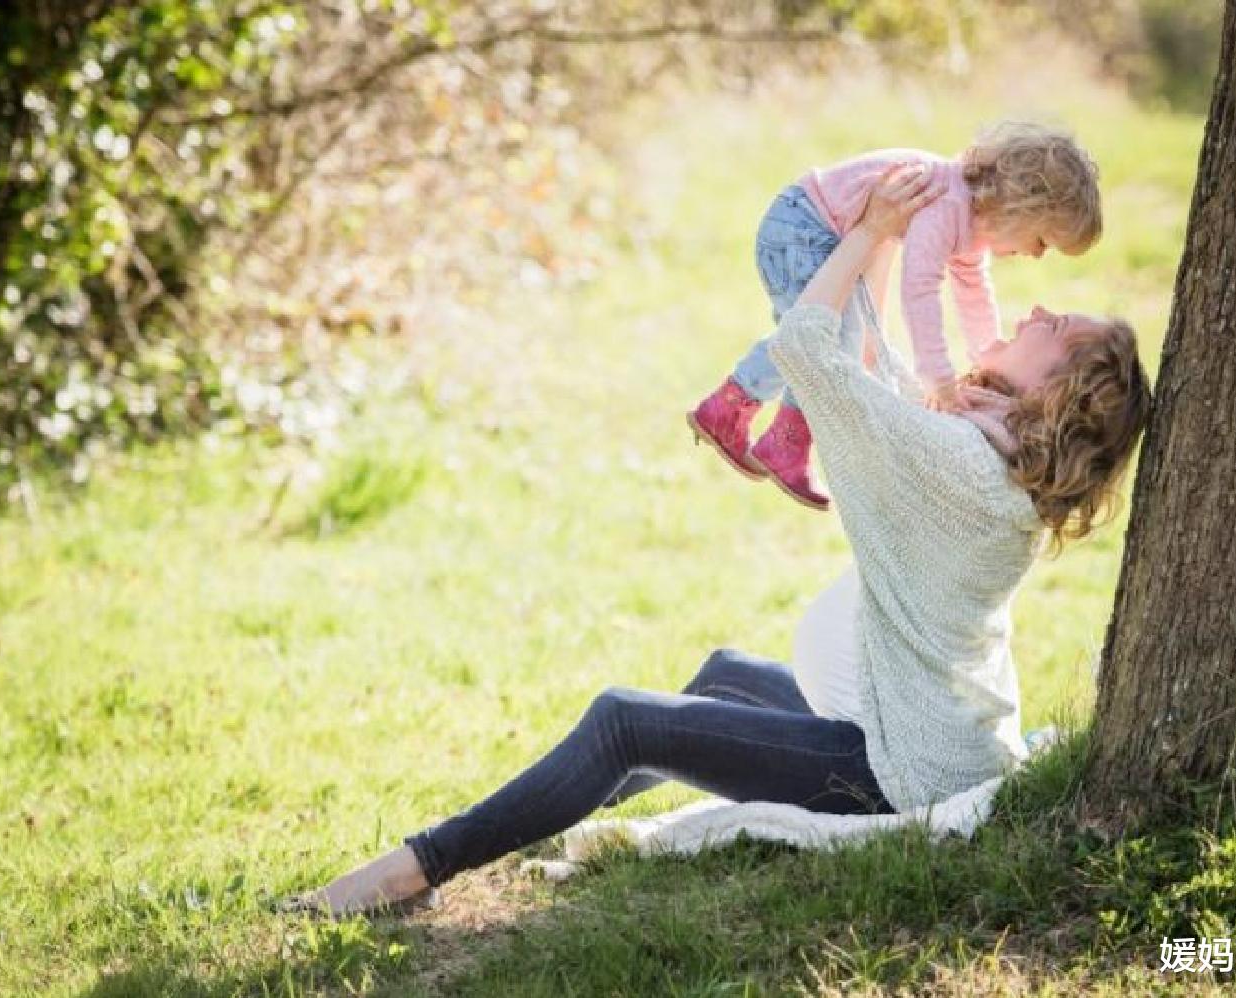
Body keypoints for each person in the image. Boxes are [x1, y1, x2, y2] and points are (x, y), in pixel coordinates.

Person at [281, 165, 1150, 920]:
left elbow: (809, 348)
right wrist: (883, 243)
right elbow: (881, 376)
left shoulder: (959, 464)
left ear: (1060, 391)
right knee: (724, 676)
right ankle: (522, 823)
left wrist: (872, 231)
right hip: (924, 735)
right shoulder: (993, 460)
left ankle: (414, 870)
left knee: (626, 719)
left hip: (897, 773)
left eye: (1059, 327)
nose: (1036, 307)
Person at [687, 121, 1102, 510]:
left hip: (816, 232)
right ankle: (747, 416)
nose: (1035, 255)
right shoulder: (948, 203)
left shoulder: (971, 221)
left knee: (827, 339)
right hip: (802, 228)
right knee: (821, 337)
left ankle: (777, 435)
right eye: (1042, 241)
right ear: (1023, 207)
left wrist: (988, 355)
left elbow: (974, 293)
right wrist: (937, 378)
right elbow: (919, 290)